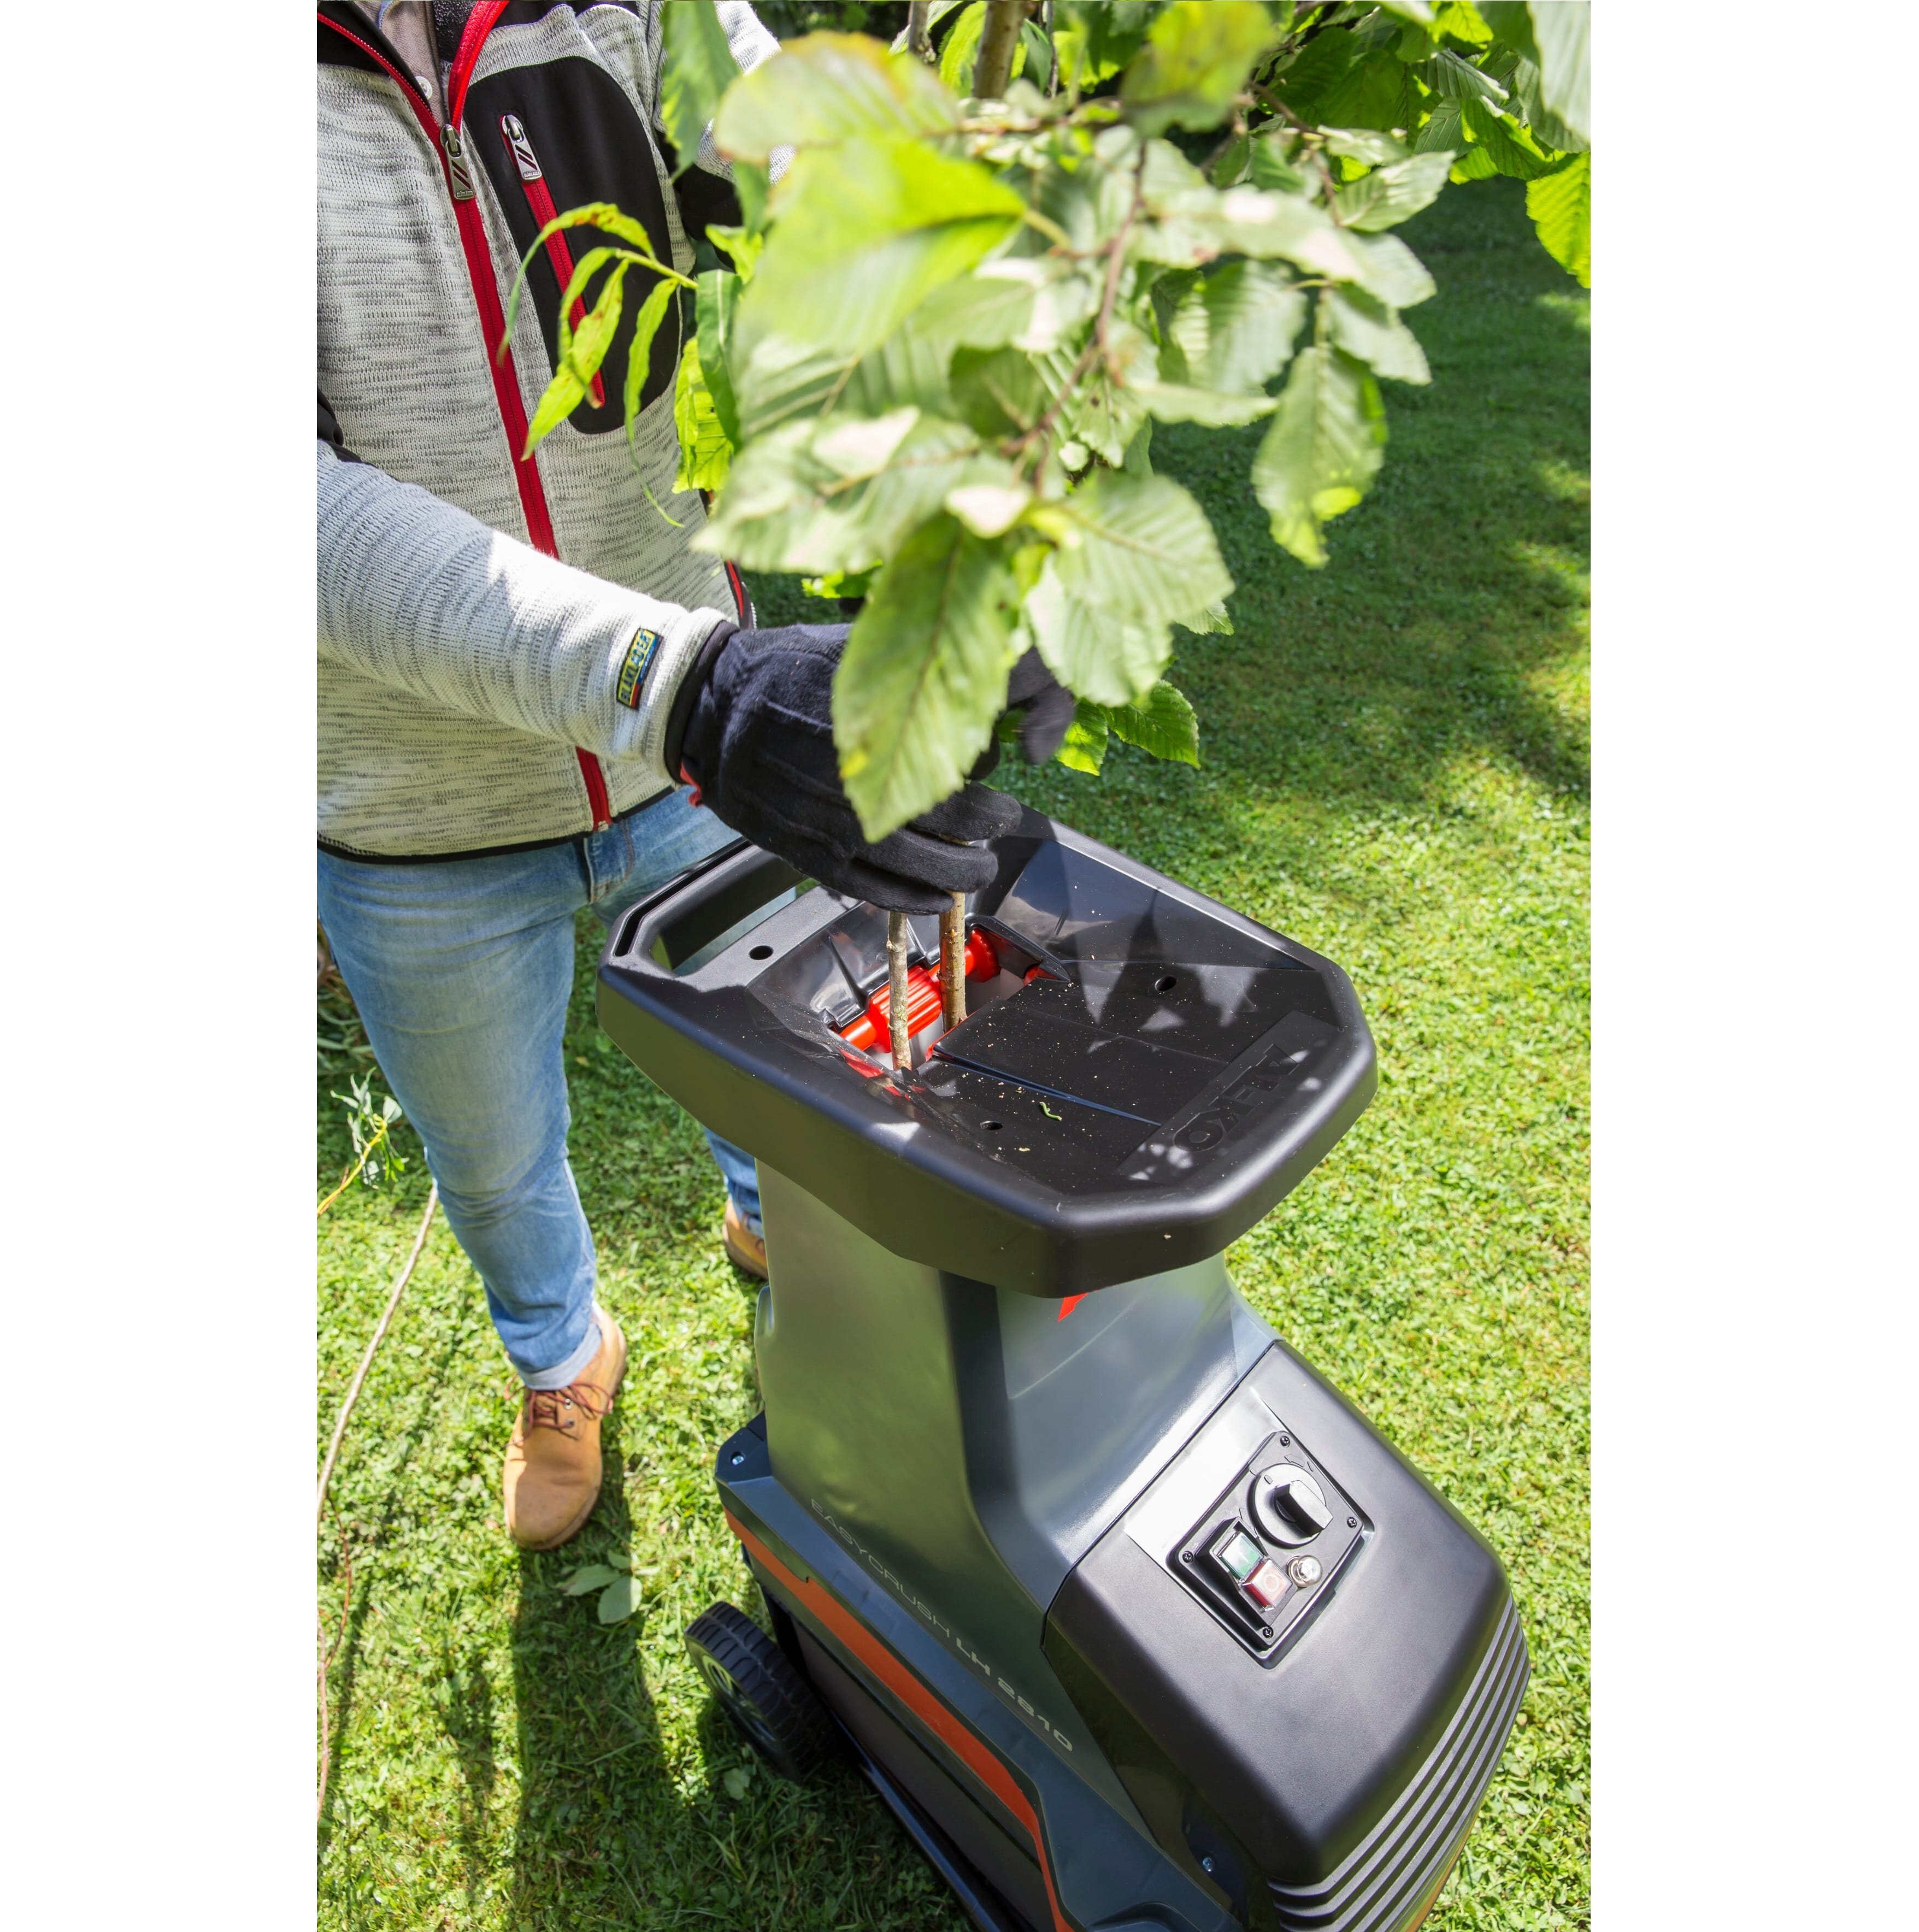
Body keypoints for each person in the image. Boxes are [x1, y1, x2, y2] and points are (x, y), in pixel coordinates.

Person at [317, 3, 1068, 1552]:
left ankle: (773, 1216)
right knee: (492, 1162)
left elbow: (808, 186)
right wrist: (687, 690)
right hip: (419, 807)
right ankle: (560, 1362)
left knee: (789, 1074)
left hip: (696, 760)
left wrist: (972, 469)